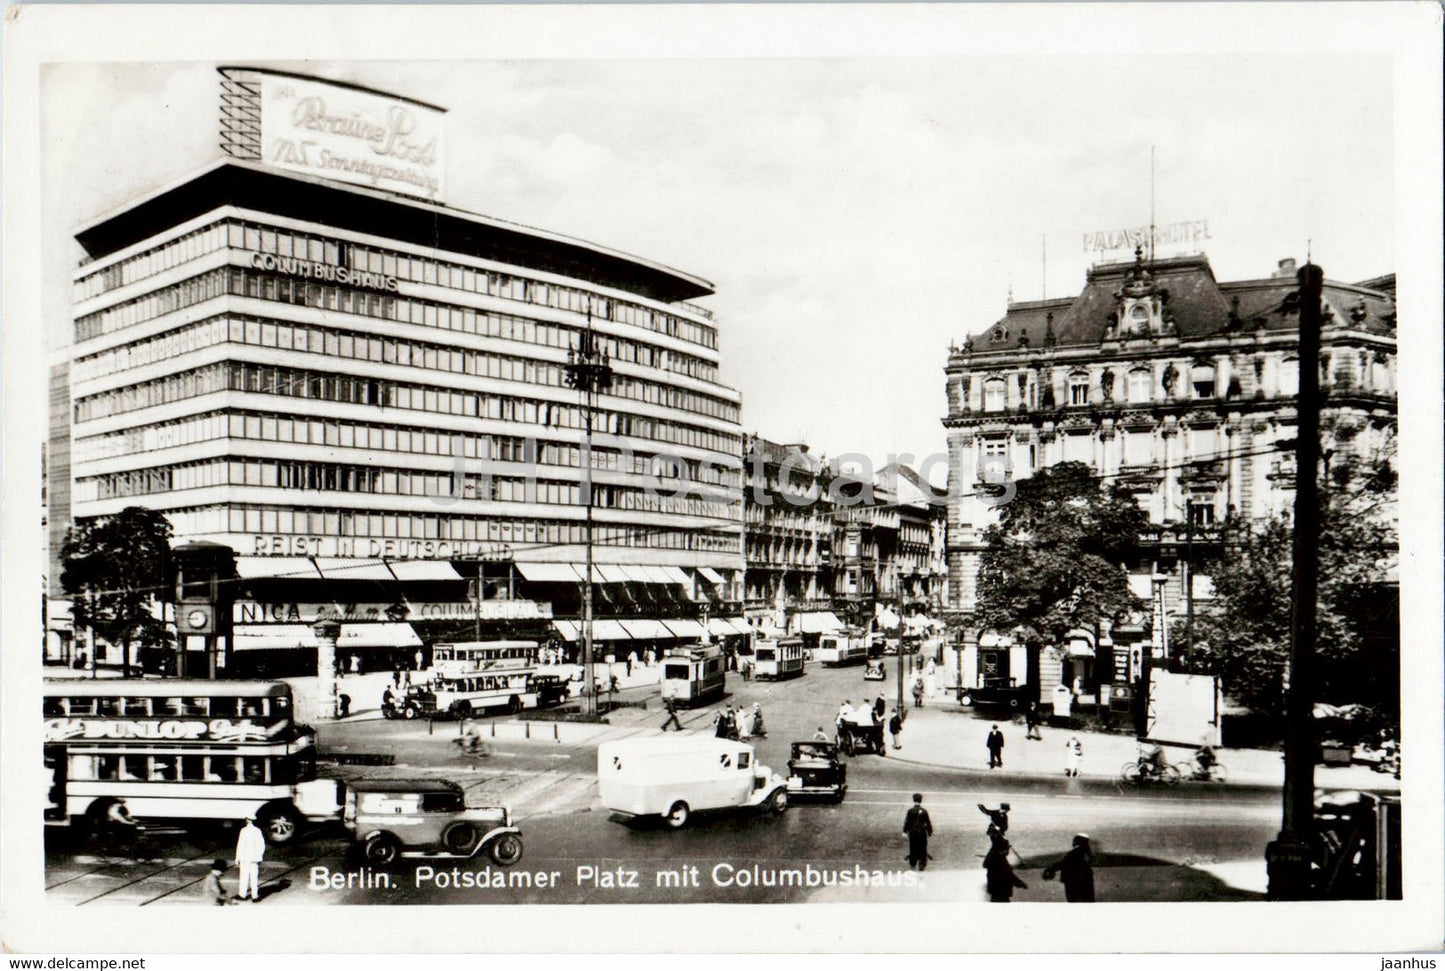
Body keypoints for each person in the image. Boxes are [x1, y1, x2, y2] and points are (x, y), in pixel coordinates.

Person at [1042, 834, 1096, 902]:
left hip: (1073, 882)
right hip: (1084, 881)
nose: (1073, 841)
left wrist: (1050, 869)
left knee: (1074, 901)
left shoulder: (1074, 853)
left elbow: (1063, 863)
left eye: (1074, 840)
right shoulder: (1086, 853)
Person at [984, 838, 1028, 902]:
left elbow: (1009, 875)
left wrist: (1020, 883)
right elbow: (1009, 875)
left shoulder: (995, 859)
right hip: (1001, 892)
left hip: (997, 892)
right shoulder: (999, 861)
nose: (1008, 851)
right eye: (1007, 848)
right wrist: (1020, 883)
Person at [234, 814, 266, 902]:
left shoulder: (243, 830)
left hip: (245, 858)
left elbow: (240, 845)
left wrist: (237, 858)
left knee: (244, 877)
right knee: (254, 877)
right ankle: (255, 896)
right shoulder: (257, 831)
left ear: (247, 820)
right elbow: (261, 845)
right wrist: (260, 856)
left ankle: (242, 895)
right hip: (254, 858)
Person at [902, 793, 933, 870]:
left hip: (912, 832)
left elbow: (907, 822)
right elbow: (928, 822)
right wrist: (929, 832)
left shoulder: (910, 811)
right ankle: (922, 863)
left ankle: (913, 862)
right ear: (921, 800)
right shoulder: (924, 811)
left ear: (913, 800)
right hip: (922, 832)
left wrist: (904, 831)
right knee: (922, 848)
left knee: (913, 847)